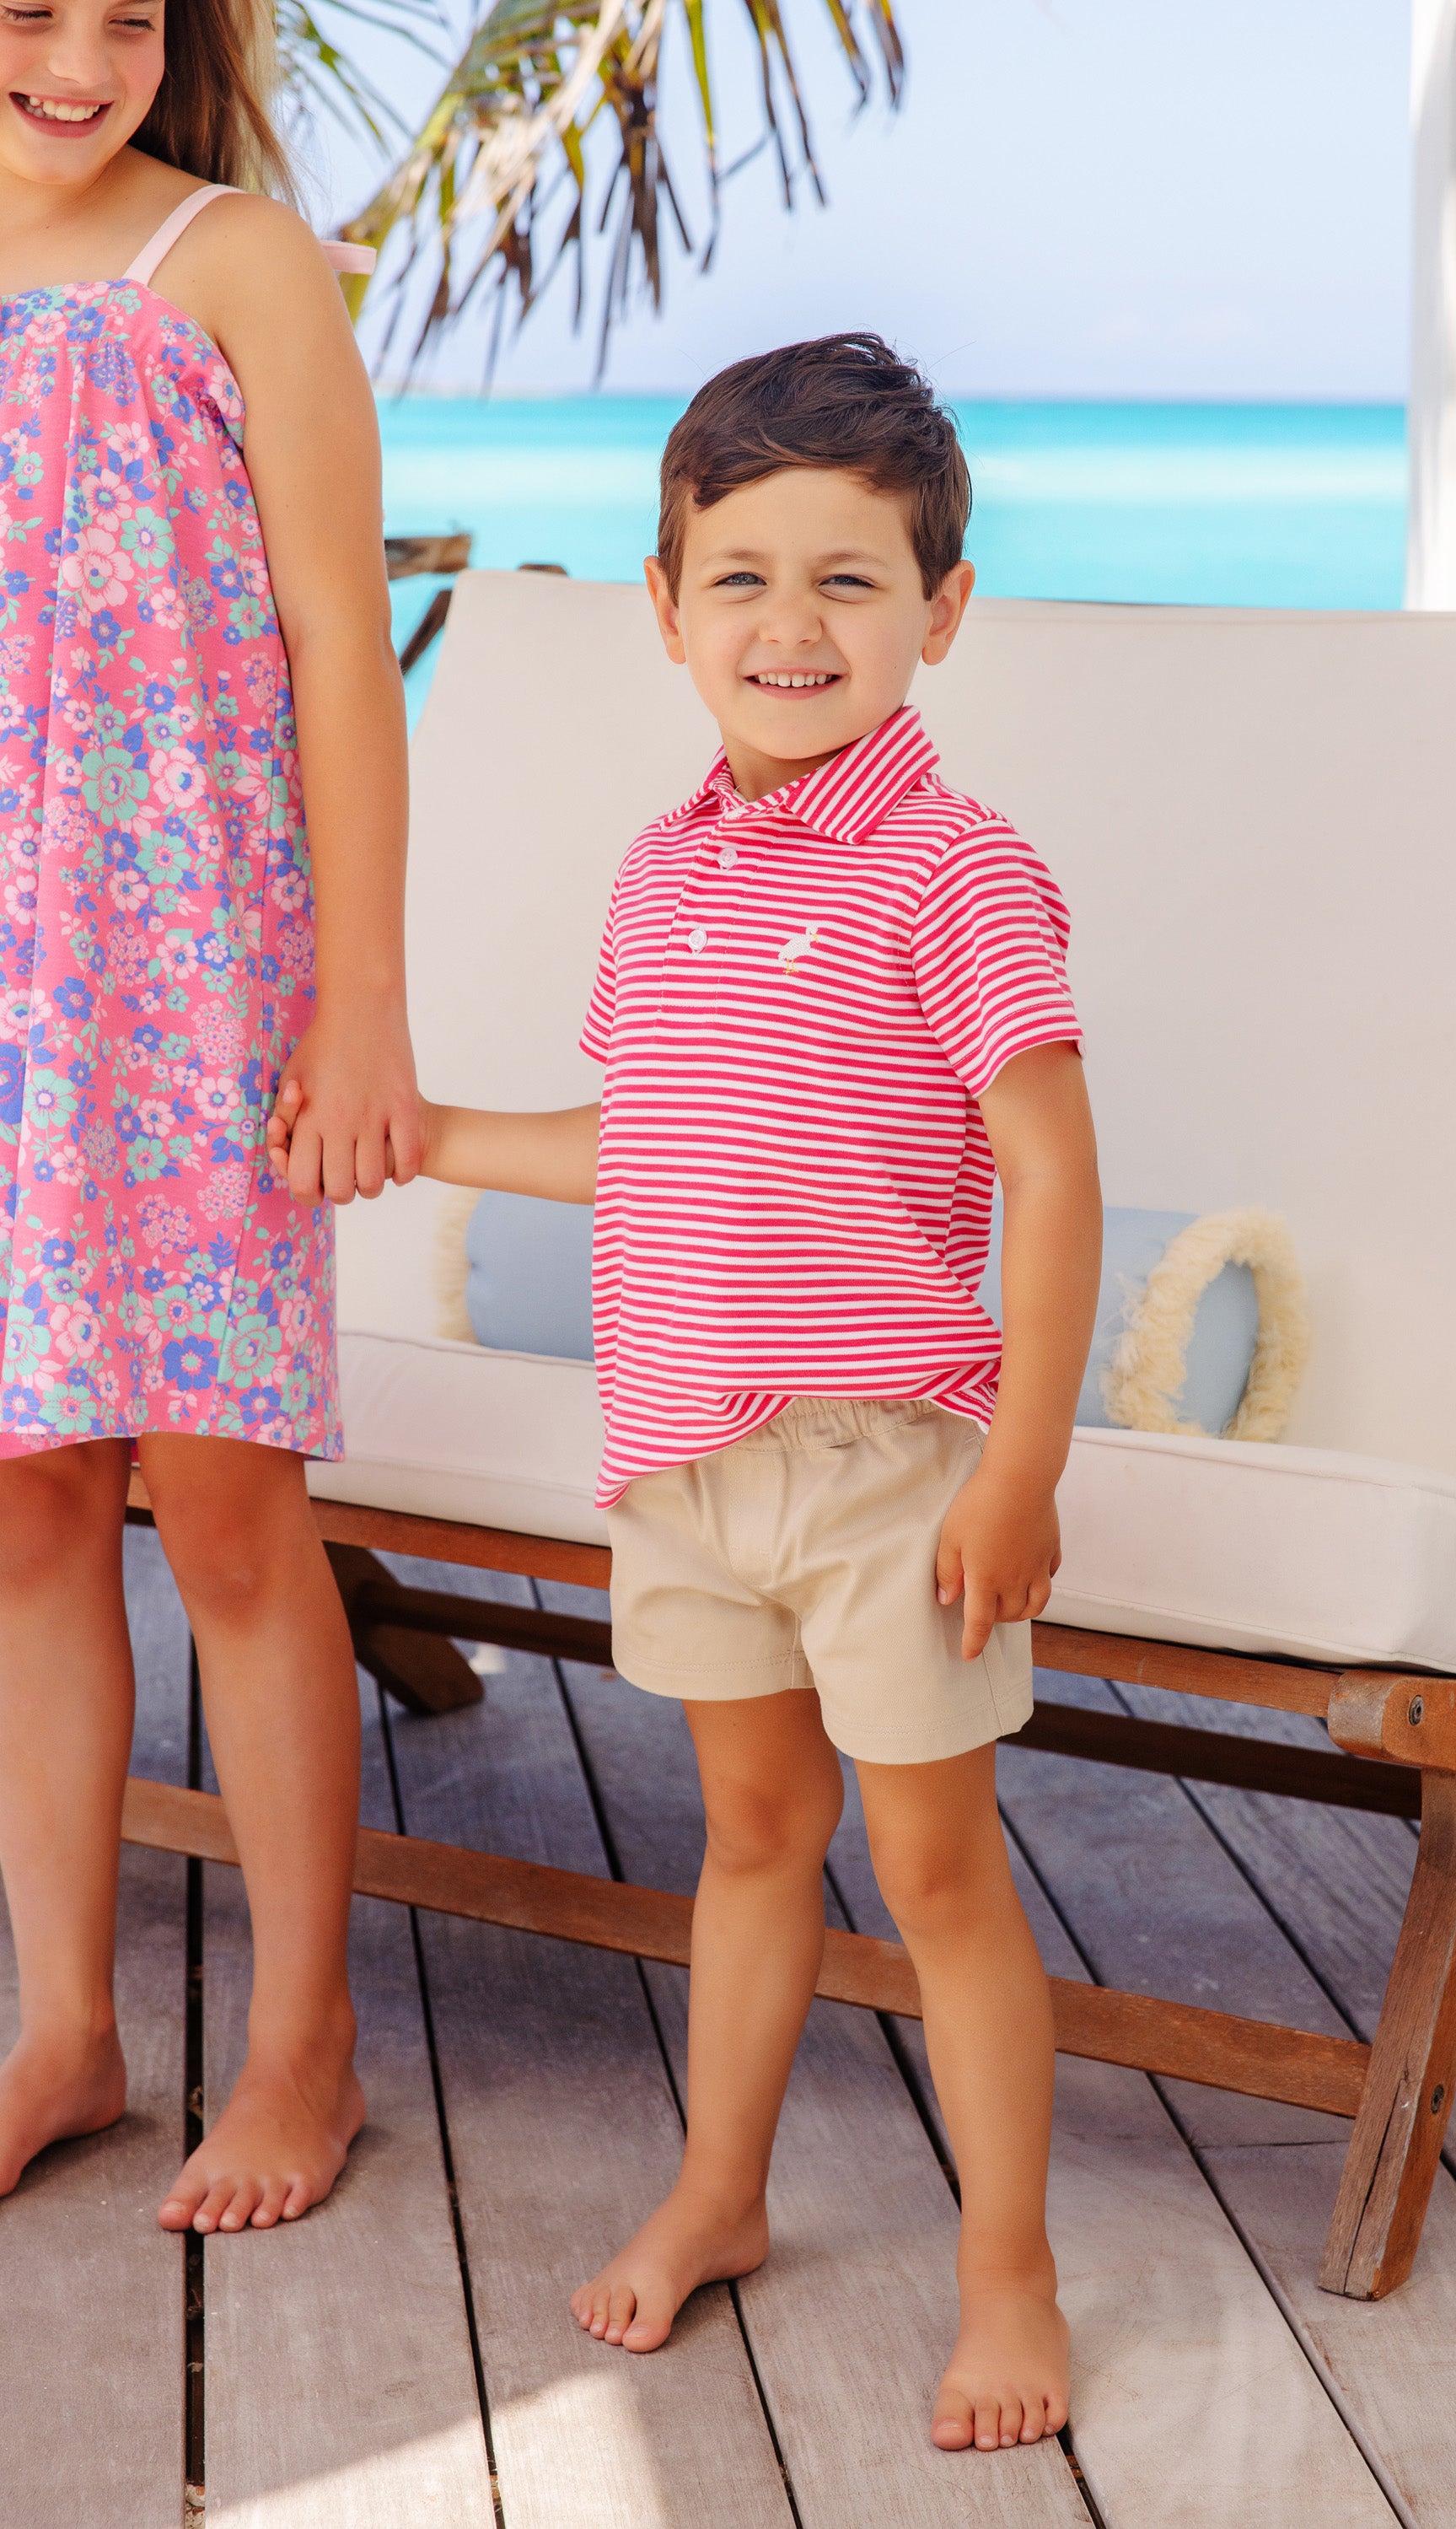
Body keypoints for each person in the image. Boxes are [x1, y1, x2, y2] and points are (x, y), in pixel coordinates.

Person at [277, 333, 1102, 2451]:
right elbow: (644, 1140)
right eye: (739, 577)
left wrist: (1017, 1473)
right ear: (664, 609)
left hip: (884, 1467)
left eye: (847, 580)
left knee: (936, 1881)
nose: (788, 625)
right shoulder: (664, 871)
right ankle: (720, 2192)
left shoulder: (958, 866)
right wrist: (415, 1129)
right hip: (681, 1455)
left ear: (940, 610)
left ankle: (1006, 2276)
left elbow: (1050, 1173)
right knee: (747, 1838)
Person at [0, 0, 418, 2233]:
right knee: (25, 1508)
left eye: (125, 16)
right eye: (30, 12)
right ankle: (65, 2032)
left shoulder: (235, 262)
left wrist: (361, 1007)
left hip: (185, 977)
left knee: (233, 1511)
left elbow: (342, 641)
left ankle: (300, 2044)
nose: (80, 62)